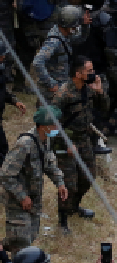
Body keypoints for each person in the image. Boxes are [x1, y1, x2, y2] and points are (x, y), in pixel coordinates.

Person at [0, 106, 67, 252]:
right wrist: (22, 196)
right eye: (55, 124)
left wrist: (60, 183)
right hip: (16, 199)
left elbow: (49, 164)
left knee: (30, 235)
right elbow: (6, 174)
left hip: (34, 198)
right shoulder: (25, 144)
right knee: (21, 242)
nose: (58, 127)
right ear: (43, 126)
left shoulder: (45, 140)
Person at [52, 56, 107, 231]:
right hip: (65, 141)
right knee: (69, 183)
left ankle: (74, 207)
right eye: (89, 71)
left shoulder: (87, 89)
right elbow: (52, 122)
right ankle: (62, 220)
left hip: (84, 139)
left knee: (88, 176)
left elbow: (104, 109)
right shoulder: (63, 94)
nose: (93, 73)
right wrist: (67, 142)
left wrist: (99, 92)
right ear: (78, 73)